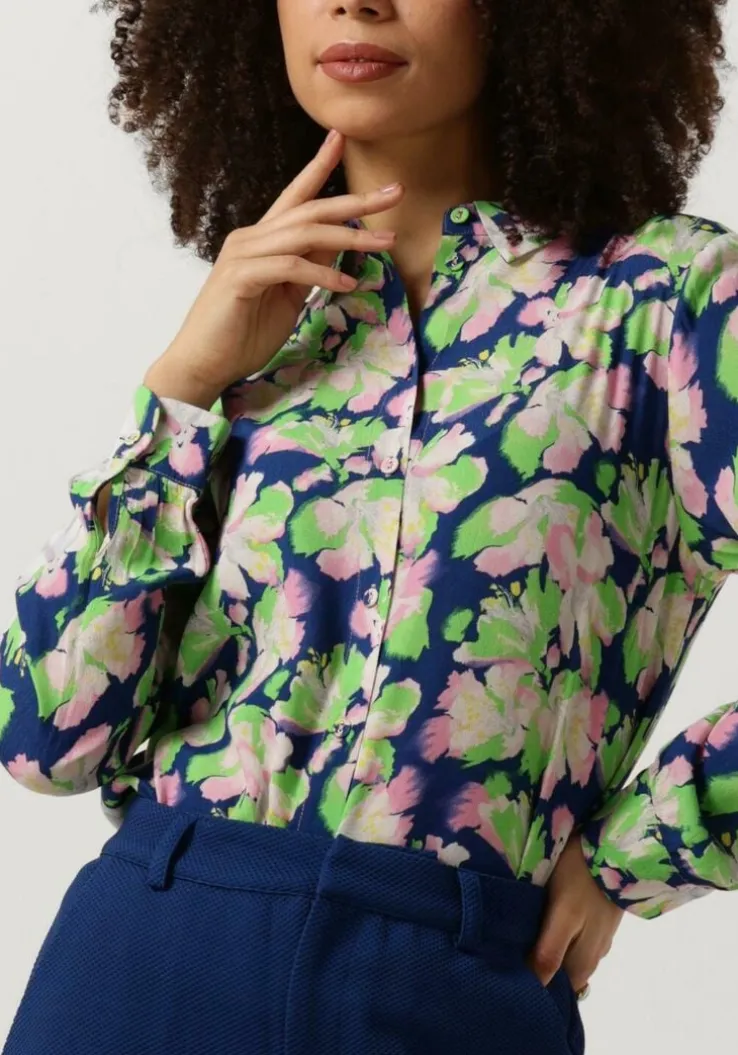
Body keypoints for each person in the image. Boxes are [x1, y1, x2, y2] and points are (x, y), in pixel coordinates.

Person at [1, 0, 737, 1051]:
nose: (356, 1)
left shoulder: (668, 300)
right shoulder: (258, 324)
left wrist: (647, 845)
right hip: (144, 954)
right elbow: (45, 739)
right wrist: (180, 389)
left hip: (454, 984)